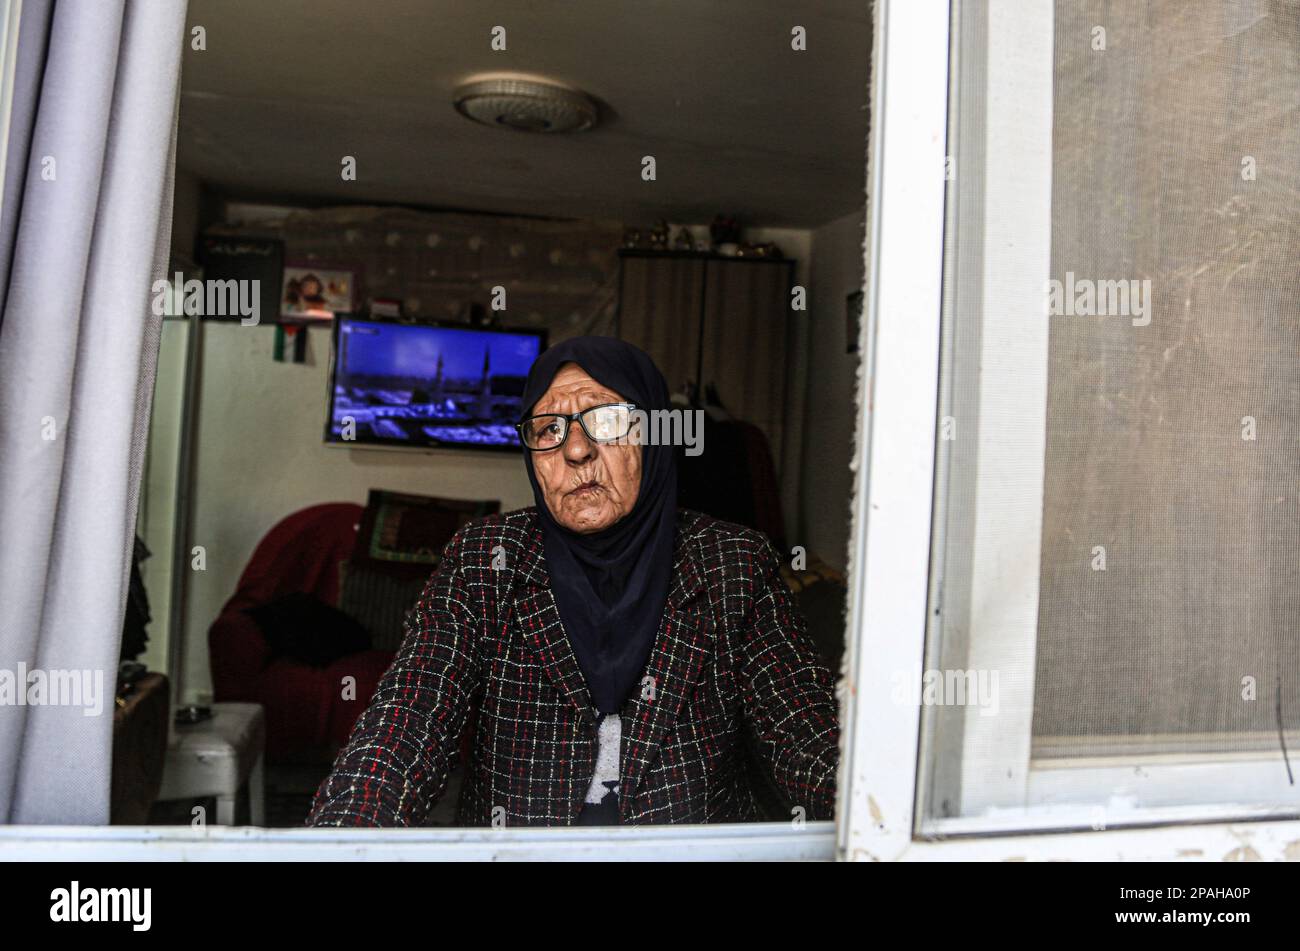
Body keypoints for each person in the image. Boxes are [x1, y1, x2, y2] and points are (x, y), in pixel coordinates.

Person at [307, 336, 839, 826]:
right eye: (548, 429)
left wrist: (877, 823)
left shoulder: (733, 563)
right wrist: (342, 841)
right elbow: (405, 726)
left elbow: (806, 737)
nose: (576, 450)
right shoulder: (487, 559)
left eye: (606, 421)